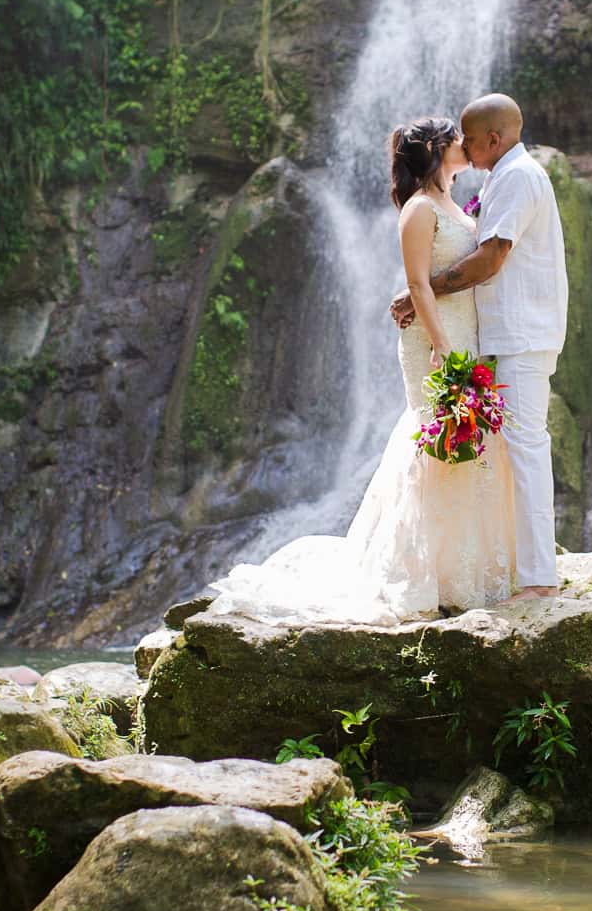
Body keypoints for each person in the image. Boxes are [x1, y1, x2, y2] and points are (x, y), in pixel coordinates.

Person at [204, 115, 516, 621]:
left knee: (466, 443)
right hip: (435, 342)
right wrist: (441, 346)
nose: (466, 143)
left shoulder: (453, 204)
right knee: (436, 440)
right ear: (437, 149)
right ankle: (420, 571)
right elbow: (418, 284)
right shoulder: (418, 210)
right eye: (456, 138)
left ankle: (460, 568)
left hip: (465, 336)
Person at [391, 93, 568, 600]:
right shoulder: (499, 177)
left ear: (494, 138)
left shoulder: (517, 177)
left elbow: (490, 259)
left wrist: (425, 289)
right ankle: (508, 568)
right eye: (455, 142)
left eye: (469, 138)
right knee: (506, 452)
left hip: (521, 334)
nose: (463, 147)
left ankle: (537, 578)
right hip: (497, 336)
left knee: (526, 449)